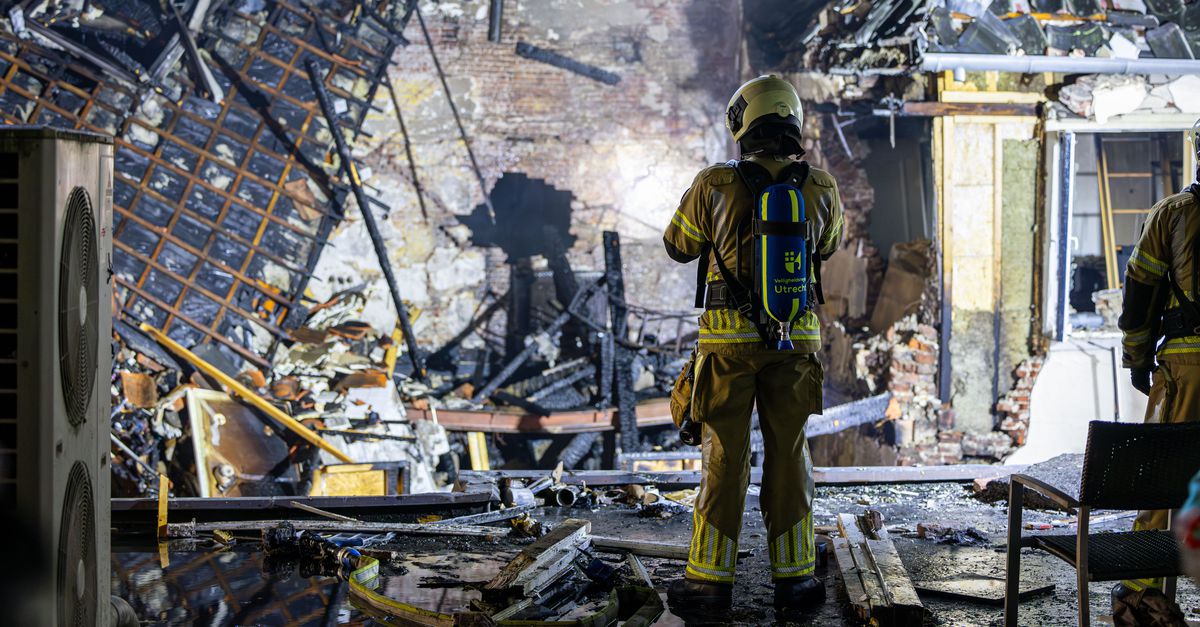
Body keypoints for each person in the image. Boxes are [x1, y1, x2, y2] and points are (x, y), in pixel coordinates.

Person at [660, 75, 843, 620]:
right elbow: (829, 247)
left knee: (725, 458)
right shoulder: (823, 188)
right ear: (793, 122)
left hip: (728, 346)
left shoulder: (713, 184)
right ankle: (796, 580)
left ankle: (710, 583)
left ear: (743, 123)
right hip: (796, 341)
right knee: (789, 455)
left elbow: (677, 246)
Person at [1115, 120, 1200, 609]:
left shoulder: (1171, 214)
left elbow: (1140, 293)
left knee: (1163, 473)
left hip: (1187, 367)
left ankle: (1143, 585)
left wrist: (1136, 358)